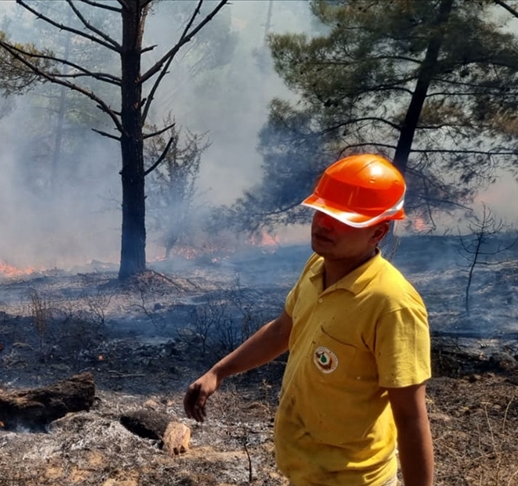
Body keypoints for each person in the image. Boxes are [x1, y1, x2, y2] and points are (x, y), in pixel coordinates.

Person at [184, 154, 433, 486]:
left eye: (343, 219)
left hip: (351, 478)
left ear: (378, 233)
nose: (324, 224)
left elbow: (410, 416)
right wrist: (219, 371)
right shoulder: (317, 268)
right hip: (305, 470)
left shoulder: (391, 304)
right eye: (322, 211)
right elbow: (284, 329)